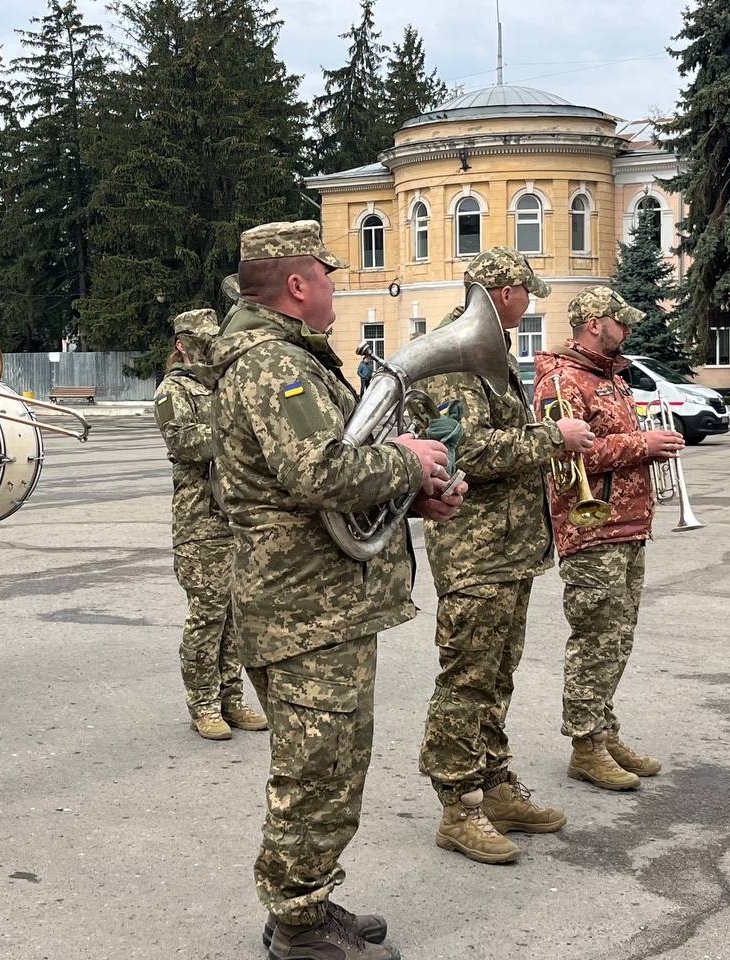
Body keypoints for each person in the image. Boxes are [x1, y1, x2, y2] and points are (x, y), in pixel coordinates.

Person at [202, 220, 463, 960]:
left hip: (325, 604)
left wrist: (415, 494)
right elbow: (320, 473)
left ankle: (309, 897)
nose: (334, 286)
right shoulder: (267, 365)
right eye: (327, 273)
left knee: (337, 762)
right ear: (297, 283)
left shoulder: (292, 359)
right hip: (301, 608)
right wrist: (408, 461)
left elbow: (331, 481)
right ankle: (297, 926)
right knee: (315, 770)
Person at [415, 248, 595, 864]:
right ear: (500, 288)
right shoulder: (451, 355)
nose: (531, 301)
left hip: (508, 549)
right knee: (467, 679)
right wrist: (553, 436)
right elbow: (463, 452)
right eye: (525, 290)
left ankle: (493, 786)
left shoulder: (487, 354)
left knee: (497, 675)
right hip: (474, 551)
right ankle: (457, 806)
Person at [532, 286, 683, 792]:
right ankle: (583, 744)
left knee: (617, 639)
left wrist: (646, 449)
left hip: (628, 526)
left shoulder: (609, 377)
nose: (630, 328)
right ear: (595, 322)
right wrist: (645, 443)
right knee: (595, 640)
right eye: (622, 320)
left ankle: (603, 728)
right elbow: (564, 455)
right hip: (593, 529)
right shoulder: (561, 379)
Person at [153, 307, 268, 740]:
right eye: (201, 340)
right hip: (200, 520)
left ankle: (232, 698)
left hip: (235, 512)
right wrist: (237, 434)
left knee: (236, 616)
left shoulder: (223, 385)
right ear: (182, 344)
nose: (209, 346)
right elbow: (184, 442)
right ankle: (203, 702)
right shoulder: (173, 390)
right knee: (207, 615)